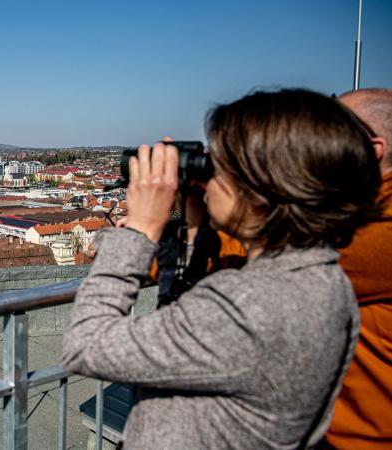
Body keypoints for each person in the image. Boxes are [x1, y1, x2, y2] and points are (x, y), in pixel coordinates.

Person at [61, 89, 381, 449]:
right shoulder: (326, 280)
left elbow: (85, 346)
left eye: (221, 164)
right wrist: (196, 229)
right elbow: (191, 333)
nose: (210, 175)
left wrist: (139, 230)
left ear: (260, 188)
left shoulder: (252, 305)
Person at [325, 88, 392, 450]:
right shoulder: (359, 210)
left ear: (372, 150)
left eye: (329, 132)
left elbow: (268, 268)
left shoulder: (378, 233)